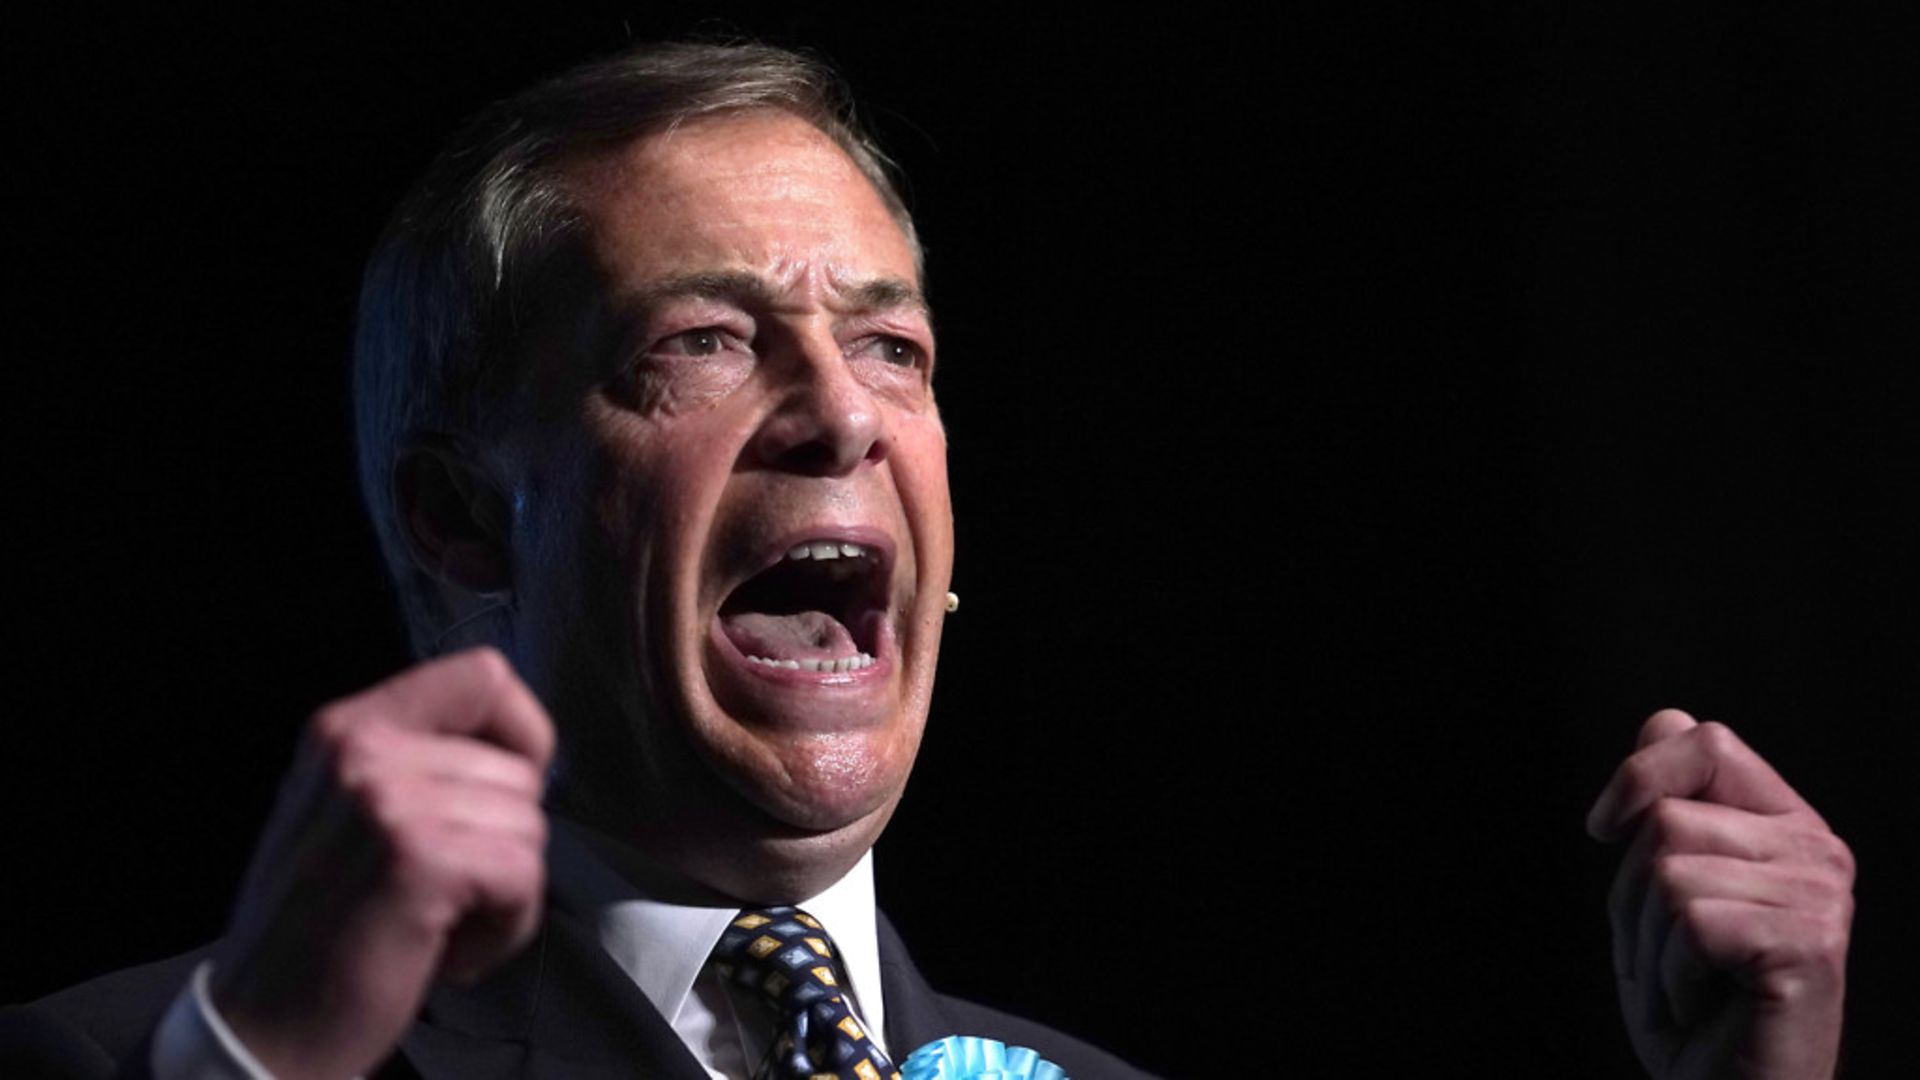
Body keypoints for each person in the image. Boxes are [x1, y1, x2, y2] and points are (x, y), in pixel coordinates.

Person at [2, 41, 1853, 1080]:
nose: (843, 415)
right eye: (704, 342)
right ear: (460, 515)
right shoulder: (157, 1060)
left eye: (893, 346)